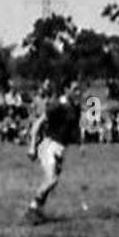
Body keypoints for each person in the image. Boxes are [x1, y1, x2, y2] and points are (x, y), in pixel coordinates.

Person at [26, 81, 83, 223]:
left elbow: (74, 128)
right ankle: (32, 208)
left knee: (51, 181)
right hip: (49, 145)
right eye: (75, 89)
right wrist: (32, 145)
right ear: (66, 89)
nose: (78, 92)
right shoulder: (57, 105)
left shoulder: (75, 107)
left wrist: (80, 143)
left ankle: (37, 210)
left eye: (79, 89)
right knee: (51, 179)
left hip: (61, 148)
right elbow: (38, 123)